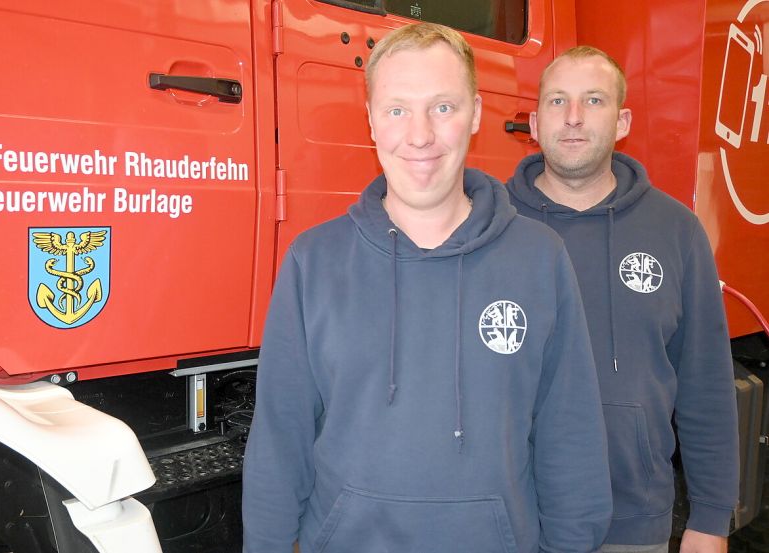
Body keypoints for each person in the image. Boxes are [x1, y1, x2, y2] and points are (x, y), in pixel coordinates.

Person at [242, 23, 612, 553]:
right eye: (397, 110)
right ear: (371, 119)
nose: (419, 135)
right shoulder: (313, 262)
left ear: (476, 115)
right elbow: (280, 440)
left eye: (443, 107)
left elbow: (569, 434)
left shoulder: (540, 258)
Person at [506, 46, 739, 553]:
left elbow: (706, 384)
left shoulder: (677, 231)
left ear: (623, 119)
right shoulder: (489, 224)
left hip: (630, 522)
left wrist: (711, 519)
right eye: (557, 101)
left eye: (593, 100)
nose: (572, 118)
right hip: (504, 519)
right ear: (534, 119)